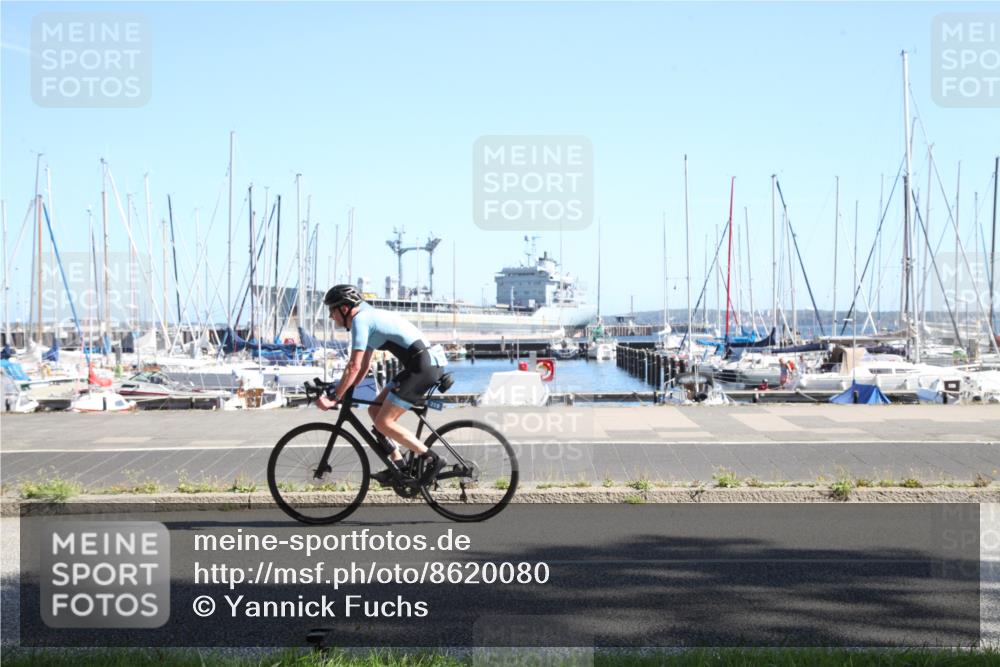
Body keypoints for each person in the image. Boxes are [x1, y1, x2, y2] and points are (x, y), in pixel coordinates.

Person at [316, 284, 447, 486]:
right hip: (419, 365)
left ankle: (432, 459)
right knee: (374, 412)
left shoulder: (361, 320)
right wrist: (346, 389)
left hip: (423, 367)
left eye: (332, 311)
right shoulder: (368, 317)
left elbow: (353, 365)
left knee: (384, 422)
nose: (331, 317)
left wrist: (335, 397)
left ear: (343, 309)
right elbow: (363, 367)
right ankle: (400, 466)